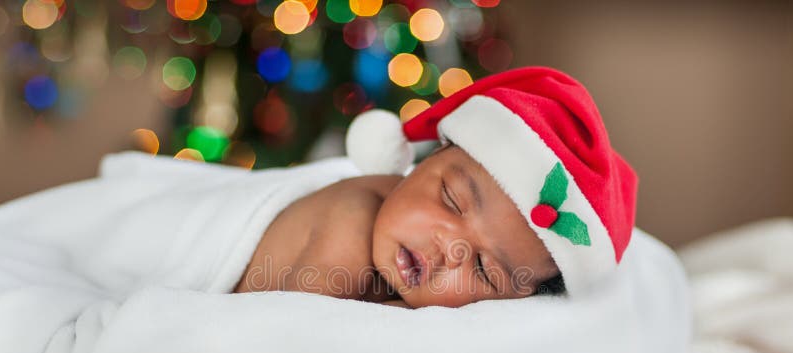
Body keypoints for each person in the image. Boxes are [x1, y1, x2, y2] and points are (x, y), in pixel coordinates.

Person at [233, 66, 638, 308]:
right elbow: (291, 336)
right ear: (426, 160)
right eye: (451, 200)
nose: (449, 247)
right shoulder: (351, 225)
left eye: (483, 269)